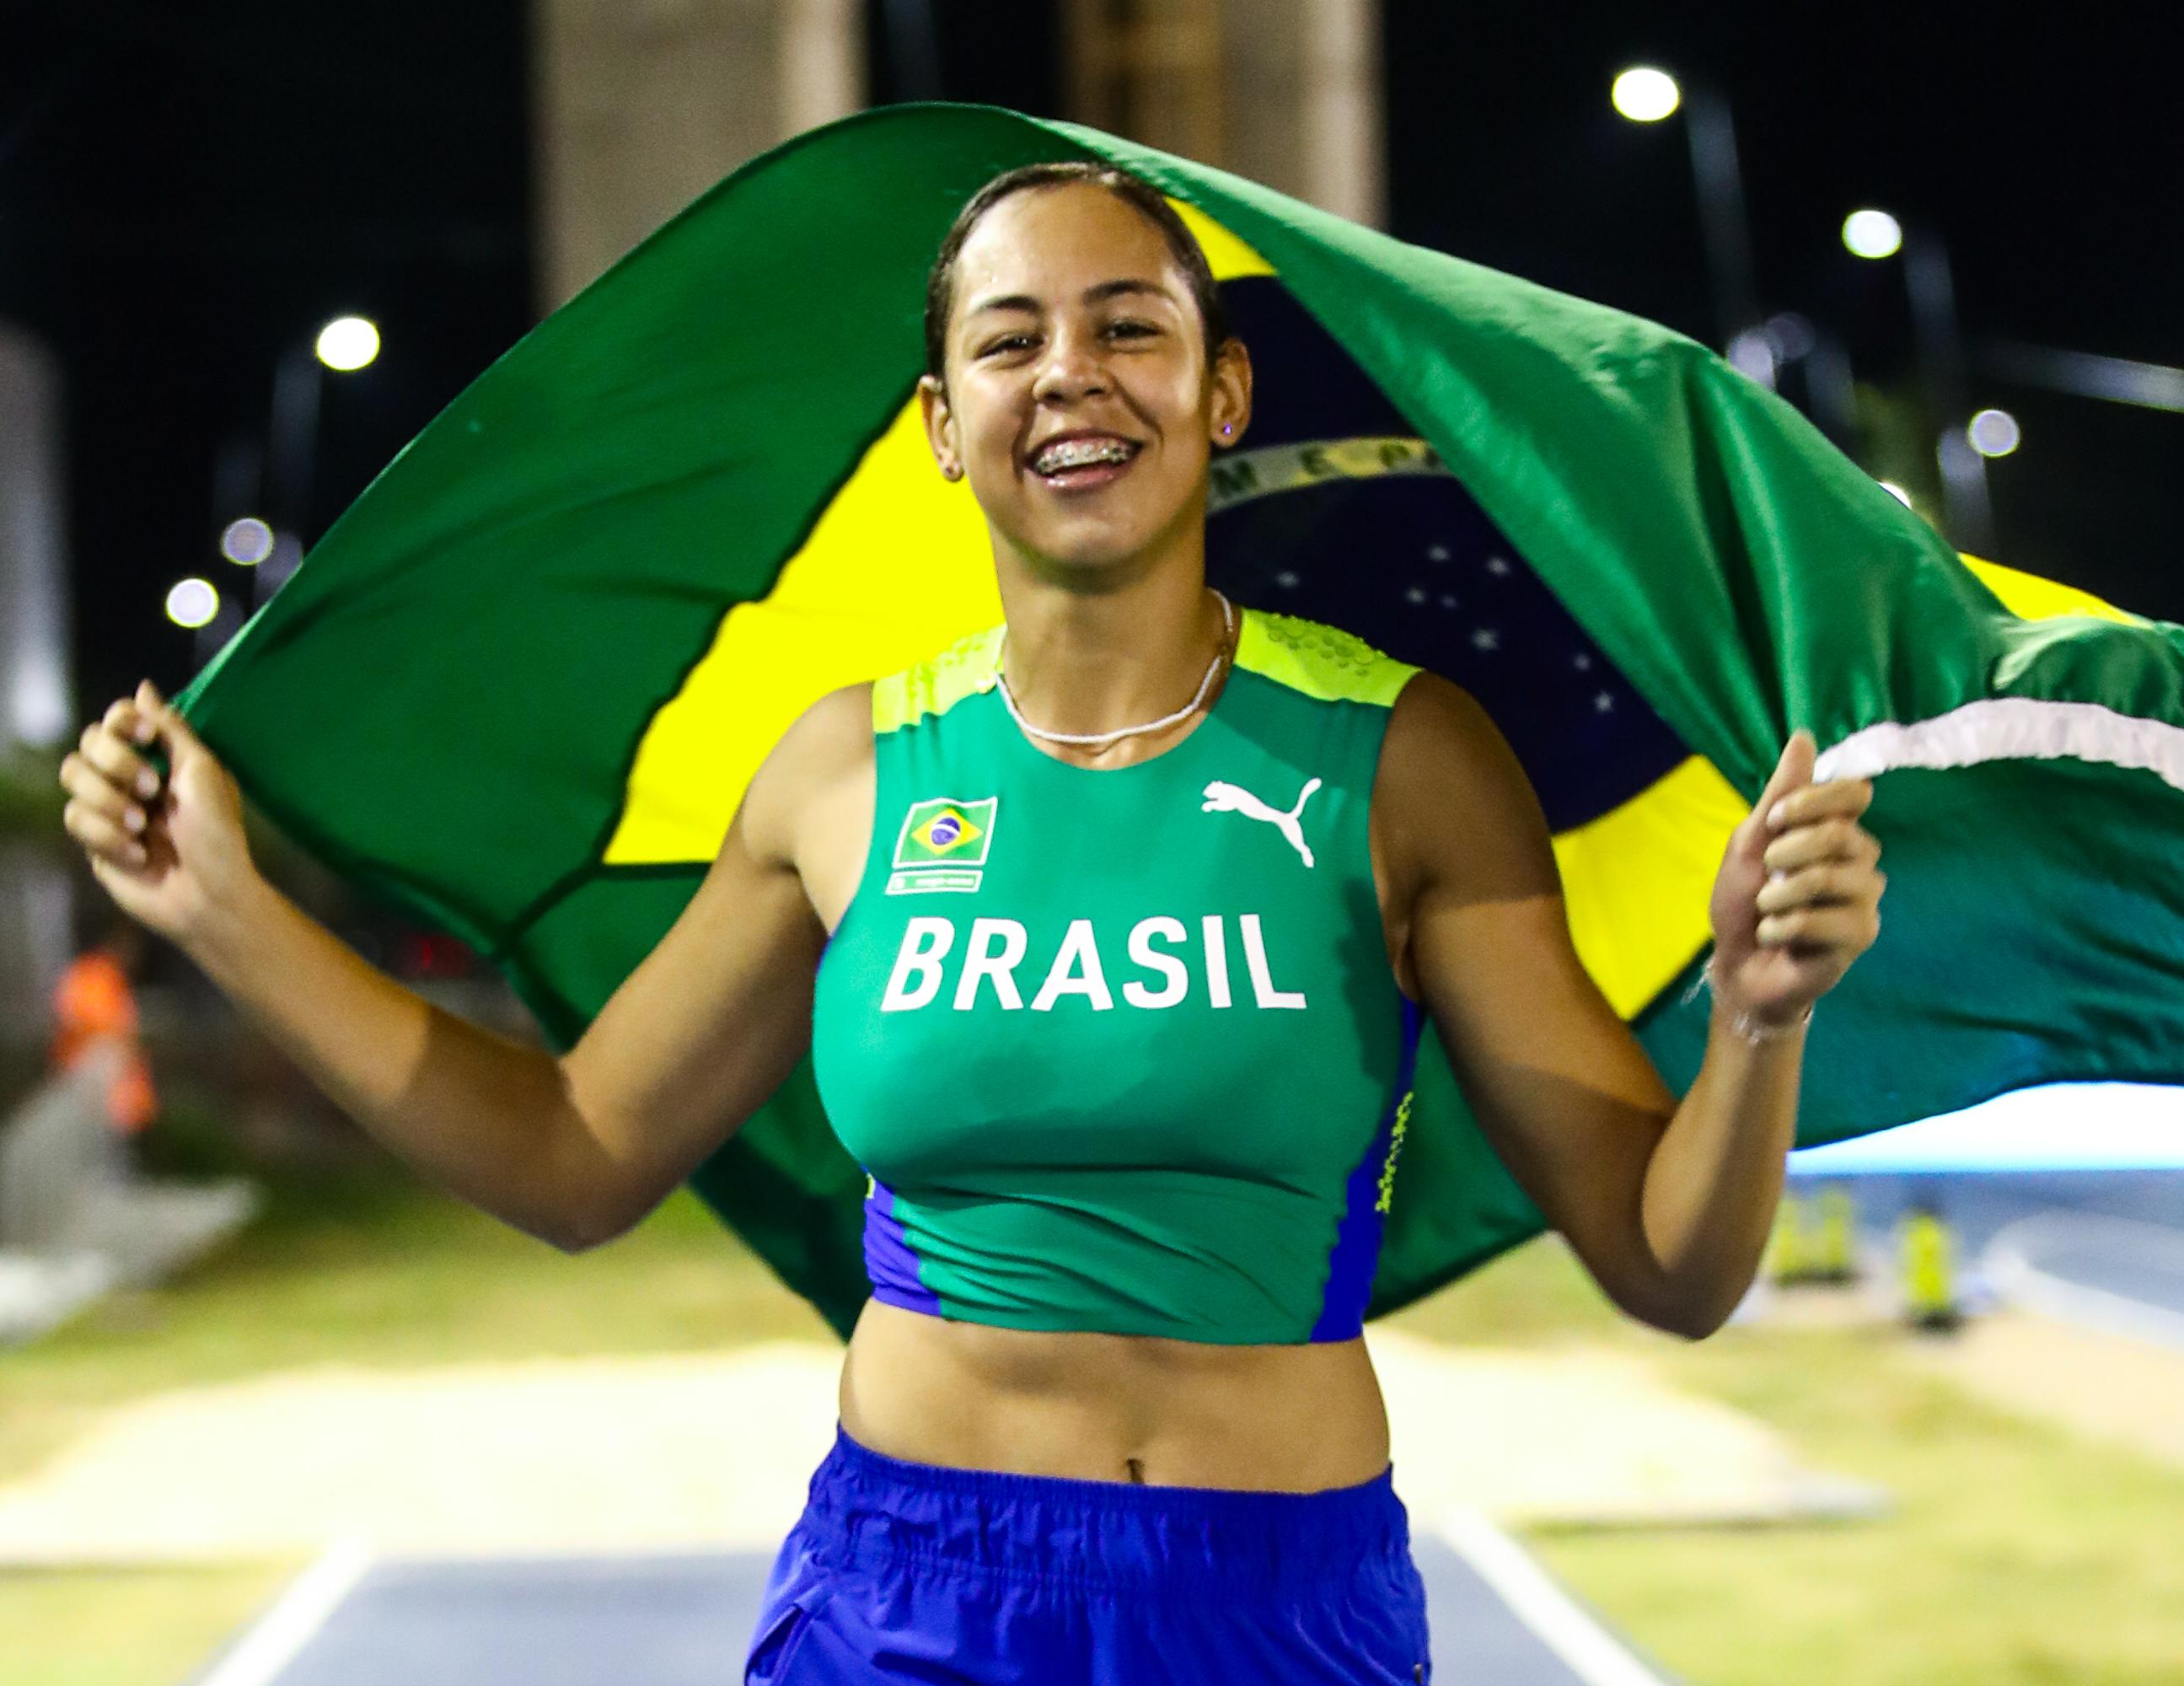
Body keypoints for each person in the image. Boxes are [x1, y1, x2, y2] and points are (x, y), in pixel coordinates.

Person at [56, 160, 1886, 1682]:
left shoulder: (1405, 757)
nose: (1070, 376)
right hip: (909, 1595)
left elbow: (1672, 1263)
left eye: (1129, 329)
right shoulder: (845, 772)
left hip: (1277, 1605)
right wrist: (220, 910)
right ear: (944, 425)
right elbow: (569, 1152)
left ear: (1223, 393)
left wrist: (1758, 1015)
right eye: (1008, 342)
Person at [48, 911, 157, 1136]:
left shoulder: (103, 976)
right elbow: (102, 1033)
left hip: (103, 1094)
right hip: (100, 1094)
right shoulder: (95, 977)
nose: (135, 952)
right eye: (130, 943)